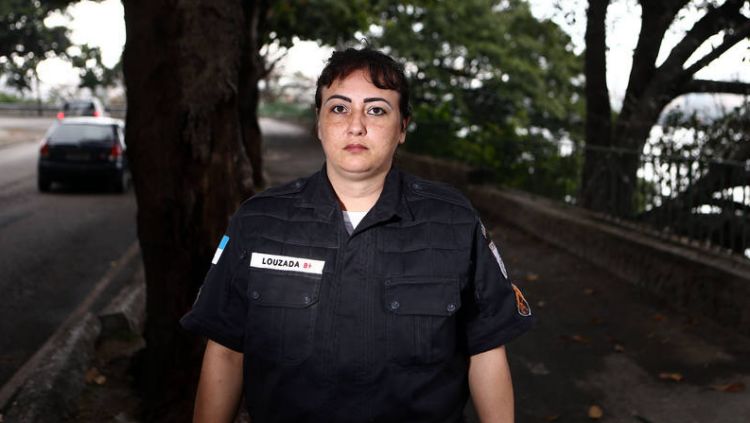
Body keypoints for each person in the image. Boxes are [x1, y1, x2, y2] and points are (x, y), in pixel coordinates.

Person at [180, 47, 533, 423]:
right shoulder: (259, 221)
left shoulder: (453, 221)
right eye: (339, 108)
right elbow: (226, 351)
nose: (356, 126)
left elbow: (485, 349)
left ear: (402, 128)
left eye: (376, 110)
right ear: (319, 123)